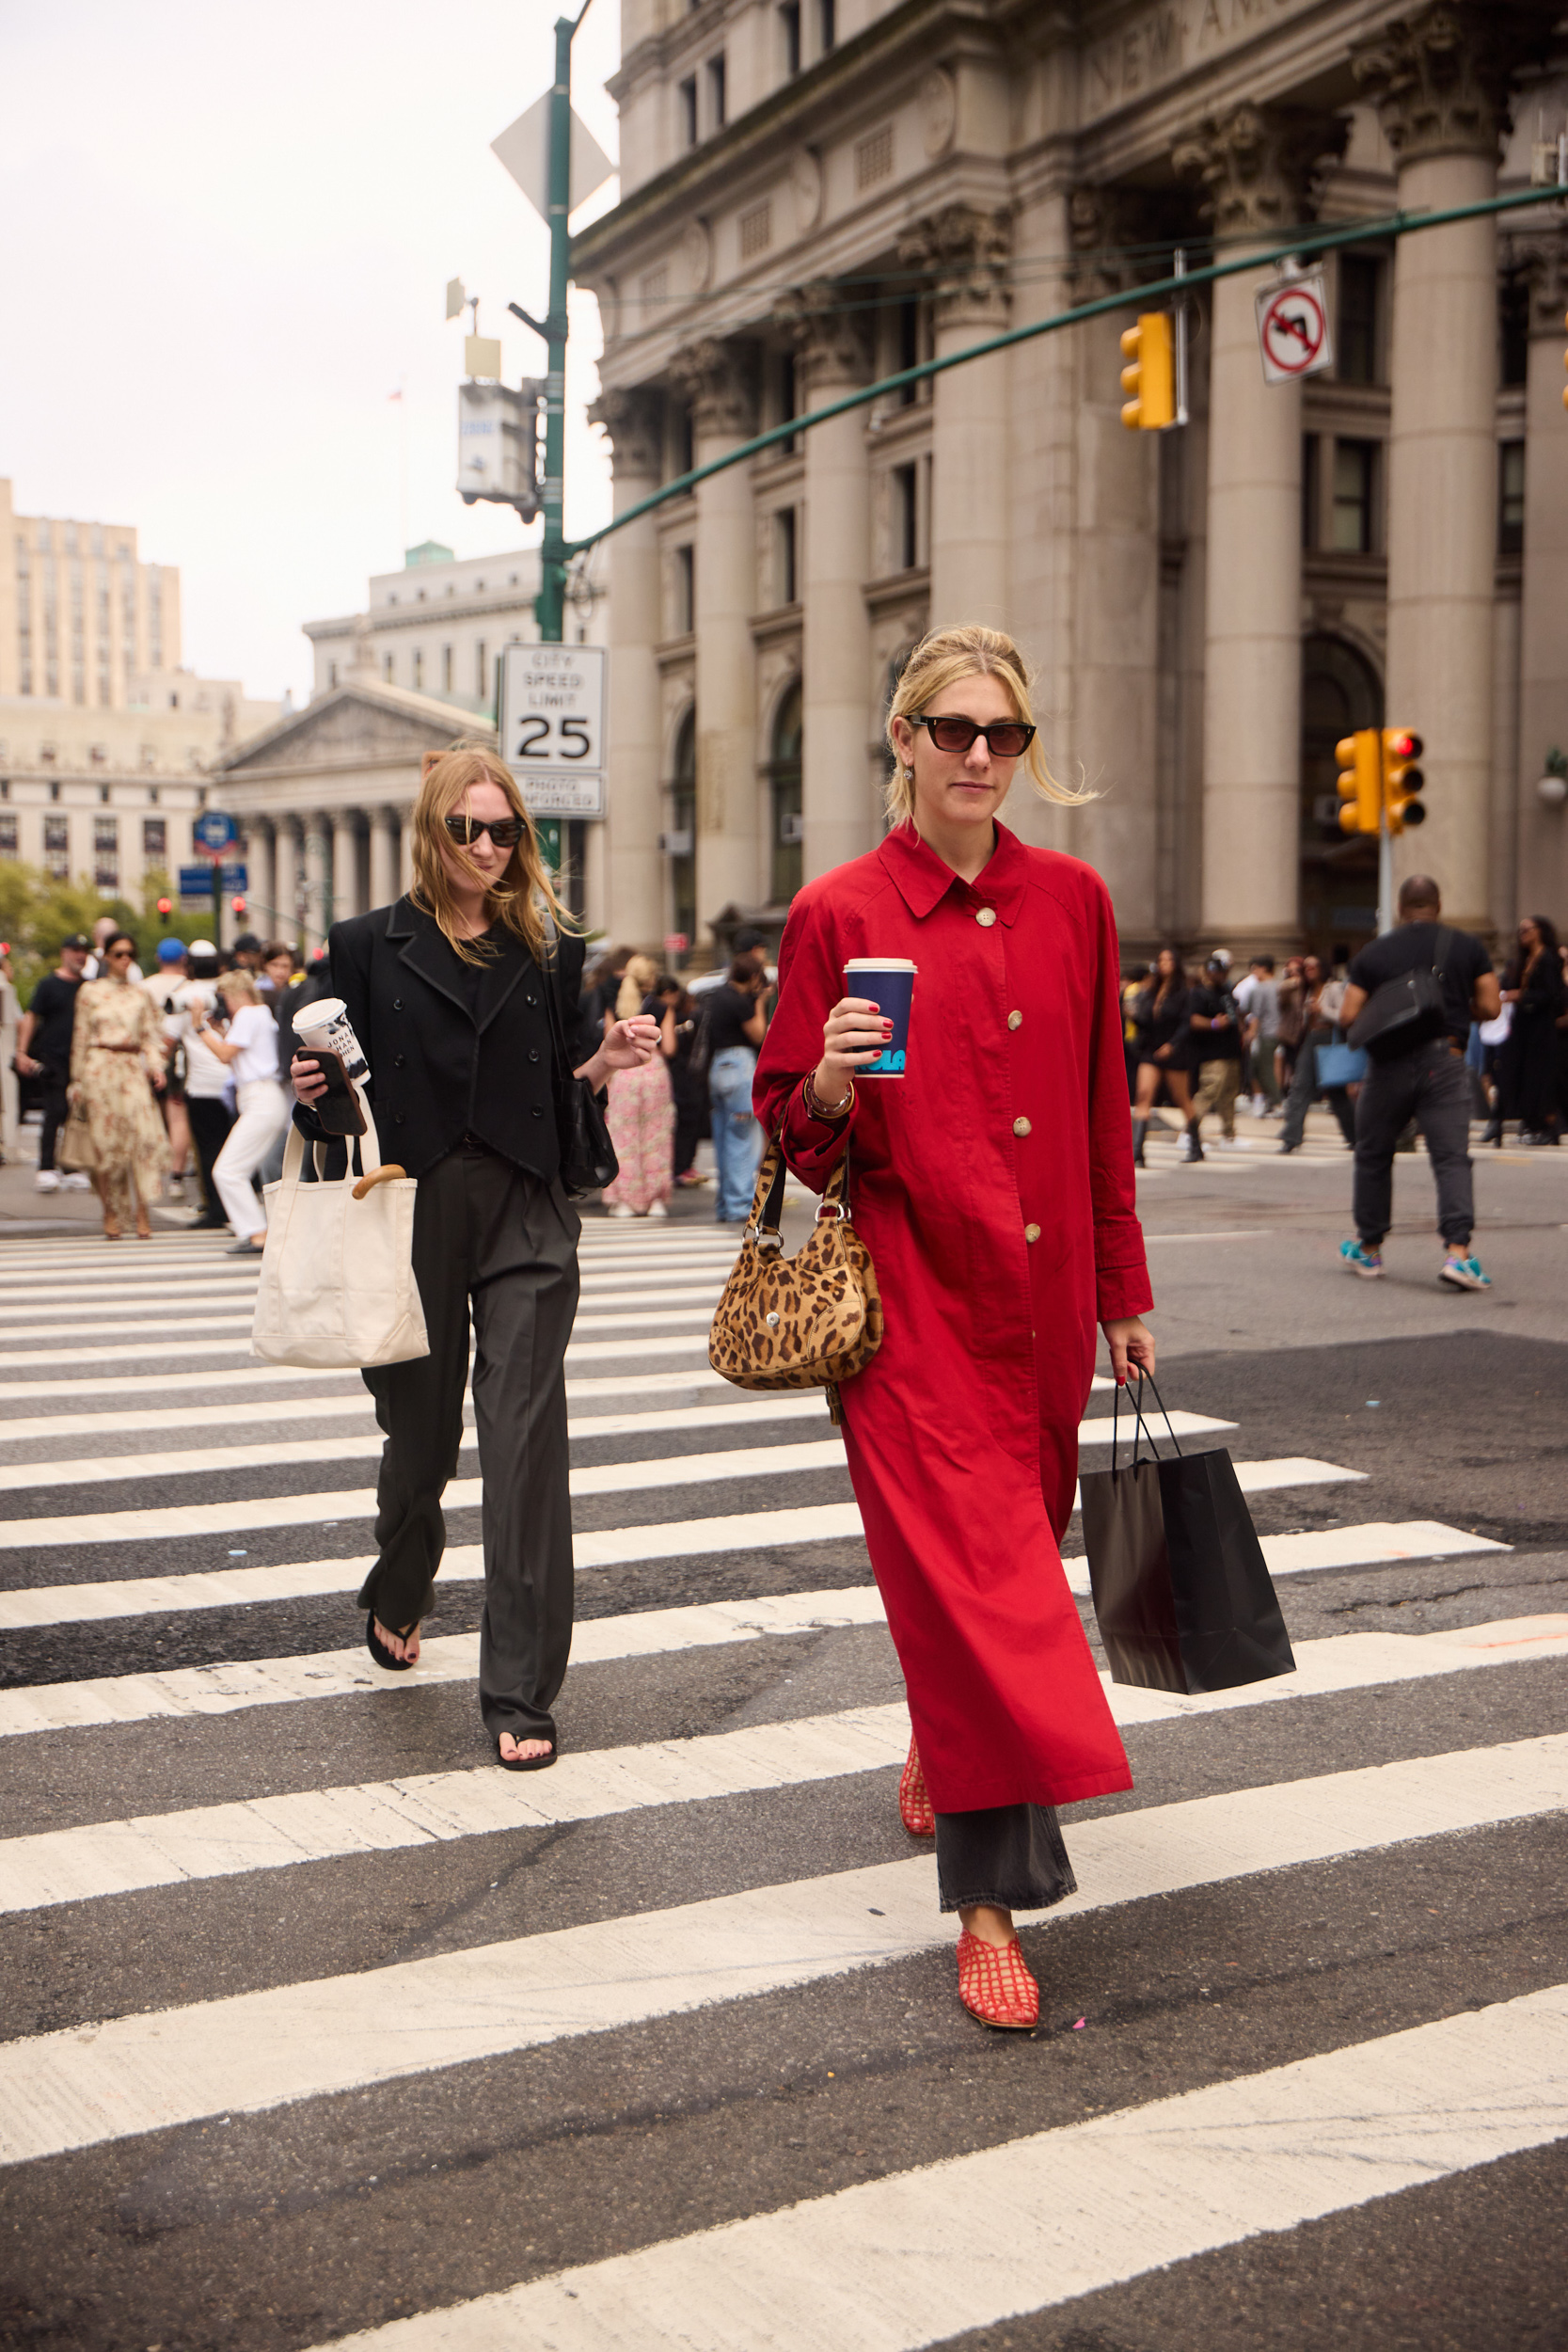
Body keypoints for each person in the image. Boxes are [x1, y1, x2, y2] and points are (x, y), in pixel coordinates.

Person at [754, 623, 1154, 2032]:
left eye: (1003, 737)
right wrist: (827, 1087)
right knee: (993, 1589)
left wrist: (1122, 1294)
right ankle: (990, 1904)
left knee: (998, 1570)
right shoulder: (837, 913)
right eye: (953, 733)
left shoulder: (1076, 902)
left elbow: (1104, 1108)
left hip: (1040, 1309)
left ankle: (943, 1738)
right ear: (903, 741)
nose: (979, 758)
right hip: (909, 1307)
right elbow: (794, 1146)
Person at [289, 742, 658, 1768]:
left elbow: (557, 1084)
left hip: (526, 1212)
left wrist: (604, 1061)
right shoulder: (365, 944)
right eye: (470, 829)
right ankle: (401, 1582)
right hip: (408, 1210)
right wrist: (313, 1097)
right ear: (433, 829)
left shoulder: (546, 947)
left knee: (525, 1442)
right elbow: (334, 1105)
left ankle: (520, 1694)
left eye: (507, 831)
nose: (490, 847)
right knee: (419, 1435)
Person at [1337, 874, 1500, 1289]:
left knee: (1374, 1154)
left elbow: (1349, 1016)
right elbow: (1492, 1006)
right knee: (1451, 1159)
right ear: (1438, 905)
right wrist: (1458, 1013)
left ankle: (1370, 1250)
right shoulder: (1467, 947)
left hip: (1388, 1066)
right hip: (1445, 1061)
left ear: (1400, 908)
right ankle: (1457, 1254)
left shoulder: (1375, 952)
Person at [64, 930, 168, 1240]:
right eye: (119, 953)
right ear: (107, 956)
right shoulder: (90, 992)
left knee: (142, 1137)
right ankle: (110, 1210)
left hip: (130, 1068)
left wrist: (157, 1067)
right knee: (105, 1143)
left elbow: (151, 1035)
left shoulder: (141, 994)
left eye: (130, 954)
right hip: (99, 1068)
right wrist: (77, 1080)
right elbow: (80, 1037)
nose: (125, 959)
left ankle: (142, 1210)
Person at [190, 970, 293, 1253]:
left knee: (228, 1170)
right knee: (239, 1169)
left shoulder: (249, 1013)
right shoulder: (260, 1014)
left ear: (235, 994)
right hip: (263, 1099)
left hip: (260, 1099)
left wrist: (199, 1027)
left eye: (224, 998)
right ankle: (258, 1230)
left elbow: (224, 1055)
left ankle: (258, 1233)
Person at [16, 933, 92, 1193]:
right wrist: (22, 1052)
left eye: (84, 950)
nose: (80, 955)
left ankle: (71, 1165)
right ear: (64, 952)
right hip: (53, 1056)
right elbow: (31, 1016)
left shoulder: (88, 986)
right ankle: (46, 1166)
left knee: (75, 1113)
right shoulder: (48, 984)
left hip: (81, 1058)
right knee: (55, 1109)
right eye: (75, 950)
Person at [602, 951, 674, 1219]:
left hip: (623, 1074)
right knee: (656, 1137)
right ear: (651, 979)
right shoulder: (662, 1007)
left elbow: (607, 1045)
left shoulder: (615, 1006)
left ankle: (623, 1199)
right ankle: (655, 1199)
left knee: (622, 1136)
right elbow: (669, 1046)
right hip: (653, 1071)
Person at [167, 946, 233, 1229]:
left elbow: (167, 1037)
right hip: (234, 1081)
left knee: (208, 1149)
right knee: (233, 1149)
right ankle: (232, 1207)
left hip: (202, 1085)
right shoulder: (227, 990)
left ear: (189, 964)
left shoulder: (184, 996)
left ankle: (216, 1209)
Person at [707, 954, 772, 1219]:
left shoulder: (717, 995)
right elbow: (758, 1034)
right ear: (754, 977)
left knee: (724, 1136)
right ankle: (740, 1205)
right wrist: (760, 1002)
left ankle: (725, 1203)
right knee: (743, 1138)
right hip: (739, 1065)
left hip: (718, 1067)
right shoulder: (740, 1000)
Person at [1497, 915, 1565, 1145]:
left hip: (1541, 1028)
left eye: (1527, 929)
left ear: (1539, 931)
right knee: (1520, 1073)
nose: (1522, 933)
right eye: (1520, 930)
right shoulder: (1524, 960)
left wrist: (1521, 995)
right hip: (1523, 1026)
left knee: (1540, 1077)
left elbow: (1551, 995)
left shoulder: (1548, 959)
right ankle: (1530, 1124)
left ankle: (1547, 1127)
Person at [1277, 953, 1356, 1153]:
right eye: (1306, 967)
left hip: (1330, 1039)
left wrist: (1321, 1010)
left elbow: (1343, 1016)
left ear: (1323, 968)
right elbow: (1279, 991)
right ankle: (1291, 1137)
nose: (1309, 970)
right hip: (1310, 1040)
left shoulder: (1334, 988)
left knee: (1337, 1093)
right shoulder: (1304, 989)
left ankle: (1356, 1137)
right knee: (1299, 1087)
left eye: (1313, 967)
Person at [1130, 946, 1196, 1166]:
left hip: (1174, 1051)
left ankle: (1196, 1145)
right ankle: (1137, 1151)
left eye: (1169, 959)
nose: (1164, 963)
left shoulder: (1183, 993)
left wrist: (1172, 1045)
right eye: (1161, 959)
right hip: (1151, 1050)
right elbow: (1147, 1023)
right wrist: (1133, 1017)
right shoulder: (1151, 991)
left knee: (1181, 1098)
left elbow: (1186, 1024)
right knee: (1143, 1096)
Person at [143, 940, 194, 1200]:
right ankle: (176, 1175)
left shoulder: (145, 986)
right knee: (178, 1117)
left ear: (157, 958)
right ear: (184, 959)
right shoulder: (188, 985)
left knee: (148, 1115)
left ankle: (147, 1174)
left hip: (147, 1054)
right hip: (179, 1057)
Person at [1188, 954, 1245, 1148]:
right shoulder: (1199, 993)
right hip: (1212, 1052)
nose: (1217, 975)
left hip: (1231, 1048)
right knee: (1209, 1091)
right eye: (1213, 970)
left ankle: (1229, 1135)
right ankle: (1189, 1133)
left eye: (1220, 971)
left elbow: (1236, 1014)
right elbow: (1192, 1020)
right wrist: (1213, 1024)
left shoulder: (1226, 991)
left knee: (1229, 1094)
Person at [654, 977, 707, 1185]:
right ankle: (680, 1166)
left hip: (654, 1073)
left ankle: (676, 1166)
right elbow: (670, 1048)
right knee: (683, 1122)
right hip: (676, 1074)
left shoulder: (644, 1006)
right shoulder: (668, 1013)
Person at [83, 914, 141, 982]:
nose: (125, 958)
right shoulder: (132, 965)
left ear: (94, 935)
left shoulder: (88, 960)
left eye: (131, 954)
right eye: (118, 955)